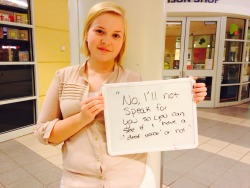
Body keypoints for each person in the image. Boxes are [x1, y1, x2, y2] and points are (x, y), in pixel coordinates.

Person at [34, 2, 207, 188]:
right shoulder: (64, 77)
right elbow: (43, 134)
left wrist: (186, 97)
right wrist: (82, 118)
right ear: (86, 33)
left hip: (131, 179)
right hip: (78, 181)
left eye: (116, 35)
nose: (106, 40)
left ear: (122, 42)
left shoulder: (132, 79)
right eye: (100, 31)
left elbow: (152, 121)